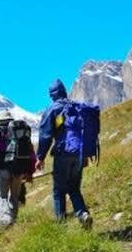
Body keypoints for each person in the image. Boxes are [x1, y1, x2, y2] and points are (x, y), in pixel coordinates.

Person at [36, 79, 100, 228]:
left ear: (52, 95)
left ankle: (60, 227)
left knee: (59, 190)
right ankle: (83, 213)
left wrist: (40, 157)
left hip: (63, 153)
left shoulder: (53, 109)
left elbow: (45, 135)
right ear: (64, 91)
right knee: (74, 188)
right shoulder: (75, 107)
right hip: (80, 153)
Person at [0, 109, 36, 228]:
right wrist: (30, 172)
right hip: (19, 170)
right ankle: (13, 220)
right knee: (15, 197)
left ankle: (6, 220)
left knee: (0, 196)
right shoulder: (21, 131)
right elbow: (32, 155)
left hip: (1, 170)